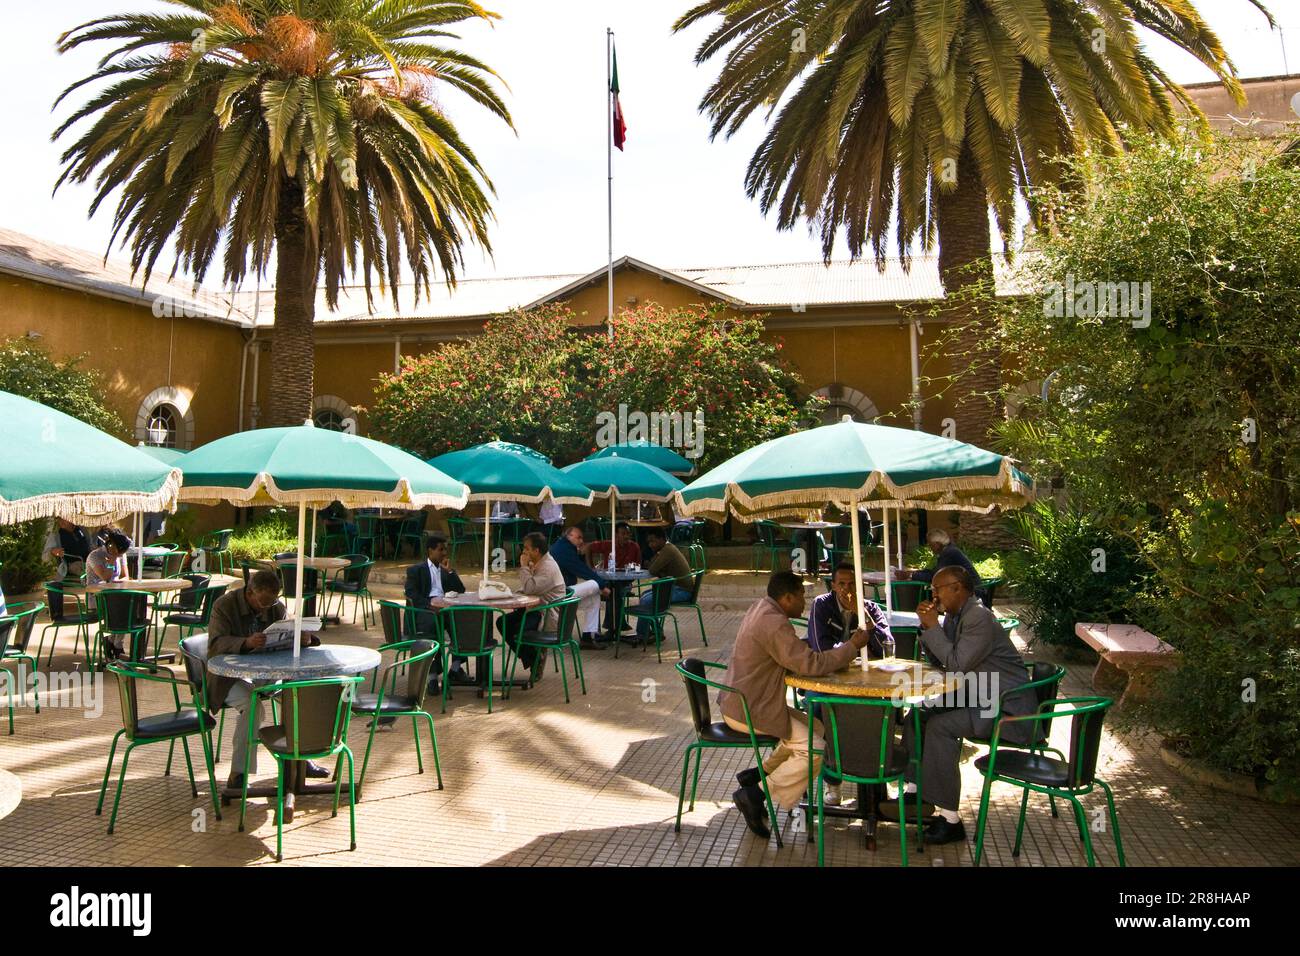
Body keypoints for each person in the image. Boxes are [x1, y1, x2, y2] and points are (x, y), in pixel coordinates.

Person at [721, 571, 869, 838]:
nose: (804, 601)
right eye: (801, 595)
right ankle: (756, 794)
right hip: (749, 709)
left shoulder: (763, 607)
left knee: (815, 726)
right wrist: (851, 646)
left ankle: (758, 773)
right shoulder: (774, 623)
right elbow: (810, 665)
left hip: (742, 701)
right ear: (787, 597)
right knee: (815, 749)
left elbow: (791, 654)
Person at [900, 565, 1034, 845]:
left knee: (940, 727)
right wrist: (929, 626)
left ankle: (950, 820)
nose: (933, 594)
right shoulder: (955, 616)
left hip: (1004, 707)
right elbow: (941, 661)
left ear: (957, 588)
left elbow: (957, 664)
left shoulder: (978, 618)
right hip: (979, 695)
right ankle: (916, 790)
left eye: (937, 589)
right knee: (918, 714)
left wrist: (933, 626)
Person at [206, 570, 326, 790]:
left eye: (270, 603)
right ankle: (239, 773)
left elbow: (289, 632)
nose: (265, 608)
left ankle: (300, 758)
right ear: (250, 592)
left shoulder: (275, 608)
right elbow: (215, 643)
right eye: (262, 602)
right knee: (253, 706)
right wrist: (246, 642)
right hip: (227, 677)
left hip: (265, 674)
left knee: (297, 694)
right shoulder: (224, 606)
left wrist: (305, 639)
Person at [497, 532, 567, 682]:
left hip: (546, 613)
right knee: (502, 622)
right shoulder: (539, 562)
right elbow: (530, 589)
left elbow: (530, 588)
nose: (524, 552)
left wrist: (523, 567)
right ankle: (533, 659)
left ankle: (534, 659)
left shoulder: (548, 567)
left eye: (527, 549)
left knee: (518, 630)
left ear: (536, 551)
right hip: (534, 608)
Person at [404, 533, 470, 692]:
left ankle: (455, 668)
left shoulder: (445, 570)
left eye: (445, 550)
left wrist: (450, 572)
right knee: (432, 626)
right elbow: (411, 593)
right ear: (430, 551)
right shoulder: (416, 570)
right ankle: (432, 677)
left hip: (446, 608)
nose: (444, 553)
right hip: (425, 610)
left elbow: (461, 590)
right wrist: (429, 605)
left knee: (463, 623)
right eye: (441, 550)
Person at [807, 563, 893, 657]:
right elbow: (821, 648)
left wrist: (862, 613)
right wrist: (852, 649)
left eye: (852, 583)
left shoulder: (871, 608)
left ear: (859, 585)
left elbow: (888, 648)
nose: (847, 588)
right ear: (833, 586)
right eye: (841, 584)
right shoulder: (822, 604)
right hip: (832, 668)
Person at [550, 526, 611, 649]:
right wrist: (602, 585)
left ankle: (588, 637)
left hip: (565, 591)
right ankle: (589, 637)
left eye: (582, 538)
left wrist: (581, 553)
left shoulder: (565, 547)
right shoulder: (563, 549)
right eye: (578, 537)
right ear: (569, 536)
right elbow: (581, 570)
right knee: (594, 585)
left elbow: (579, 566)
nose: (581, 541)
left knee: (594, 597)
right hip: (559, 594)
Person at [630, 529, 692, 646]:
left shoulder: (668, 550)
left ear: (662, 539)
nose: (650, 545)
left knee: (646, 600)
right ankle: (656, 632)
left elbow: (652, 569)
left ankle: (642, 634)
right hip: (673, 587)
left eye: (653, 541)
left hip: (683, 590)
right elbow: (654, 567)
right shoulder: (664, 550)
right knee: (644, 595)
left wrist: (654, 563)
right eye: (649, 542)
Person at [906, 528, 981, 593]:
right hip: (971, 590)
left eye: (930, 544)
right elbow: (934, 572)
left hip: (973, 594)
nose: (930, 547)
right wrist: (916, 572)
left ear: (937, 544)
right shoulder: (949, 550)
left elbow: (936, 577)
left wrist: (911, 575)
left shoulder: (948, 553)